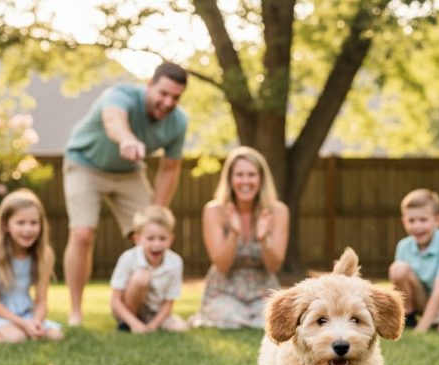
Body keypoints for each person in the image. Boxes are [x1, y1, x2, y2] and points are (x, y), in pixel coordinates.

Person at [62, 61, 189, 326]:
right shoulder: (120, 95)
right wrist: (127, 139)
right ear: (149, 86)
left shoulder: (178, 122)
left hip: (129, 173)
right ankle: (75, 311)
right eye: (163, 94)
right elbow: (113, 120)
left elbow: (169, 169)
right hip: (84, 163)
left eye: (175, 97)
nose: (168, 102)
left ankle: (142, 311)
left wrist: (158, 210)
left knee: (152, 236)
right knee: (83, 233)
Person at [192, 146, 289, 329]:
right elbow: (222, 264)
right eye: (239, 175)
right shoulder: (214, 211)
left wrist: (264, 238)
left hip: (263, 290)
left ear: (261, 179)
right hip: (224, 290)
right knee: (230, 318)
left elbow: (274, 265)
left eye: (251, 174)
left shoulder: (278, 211)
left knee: (266, 321)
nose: (245, 181)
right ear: (230, 179)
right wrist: (234, 234)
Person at [0, 189, 63, 342]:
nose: (27, 229)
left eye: (33, 223)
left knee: (56, 335)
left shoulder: (45, 255)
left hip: (23, 313)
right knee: (16, 336)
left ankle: (7, 331)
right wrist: (23, 325)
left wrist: (36, 322)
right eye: (20, 223)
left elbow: (41, 300)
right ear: (6, 225)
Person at [388, 188, 439, 334]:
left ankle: (434, 322)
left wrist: (421, 329)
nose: (417, 226)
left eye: (423, 220)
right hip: (423, 300)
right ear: (404, 221)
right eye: (411, 221)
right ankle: (408, 317)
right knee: (398, 268)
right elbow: (398, 286)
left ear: (437, 220)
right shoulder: (404, 246)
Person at [109, 205, 188, 333]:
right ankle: (127, 324)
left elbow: (169, 303)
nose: (156, 244)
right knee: (141, 277)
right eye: (150, 239)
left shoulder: (175, 262)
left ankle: (145, 324)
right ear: (137, 239)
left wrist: (153, 326)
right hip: (127, 311)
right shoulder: (128, 258)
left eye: (162, 238)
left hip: (154, 314)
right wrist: (134, 324)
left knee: (181, 327)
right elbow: (115, 301)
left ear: (171, 238)